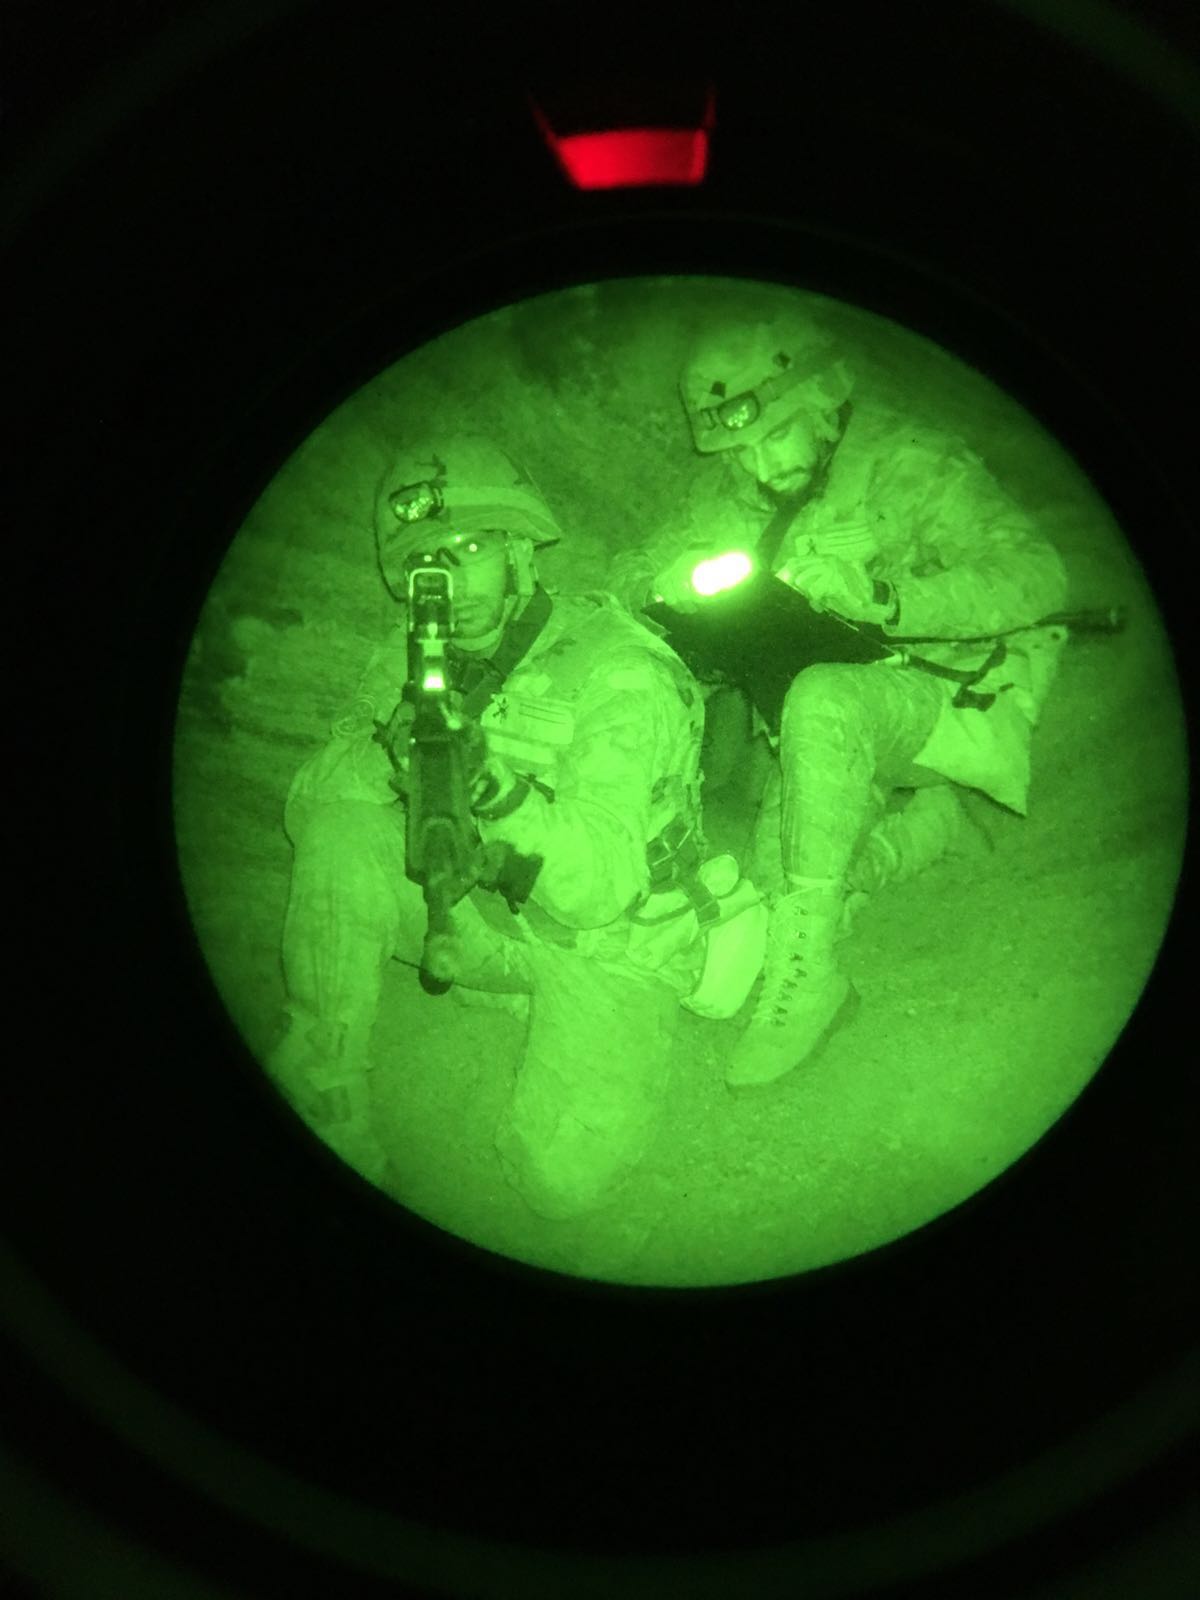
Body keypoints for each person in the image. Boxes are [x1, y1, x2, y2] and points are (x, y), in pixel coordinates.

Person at [611, 312, 1070, 1088]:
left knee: (822, 701)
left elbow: (1038, 575)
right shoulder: (738, 486)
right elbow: (629, 571)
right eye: (741, 451)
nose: (760, 466)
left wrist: (886, 598)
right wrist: (665, 580)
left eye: (775, 436)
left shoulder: (908, 463)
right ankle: (916, 836)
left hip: (948, 697)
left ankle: (814, 983)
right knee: (778, 889)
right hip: (817, 717)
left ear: (820, 403)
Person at [266, 435, 707, 1222]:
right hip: (472, 914)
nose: (450, 581)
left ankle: (548, 1008)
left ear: (521, 551)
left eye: (472, 549)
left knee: (558, 1184)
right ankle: (324, 1096)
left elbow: (603, 888)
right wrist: (388, 754)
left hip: (604, 941)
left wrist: (492, 786)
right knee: (342, 838)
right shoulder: (408, 657)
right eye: (424, 562)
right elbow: (308, 811)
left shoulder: (620, 667)